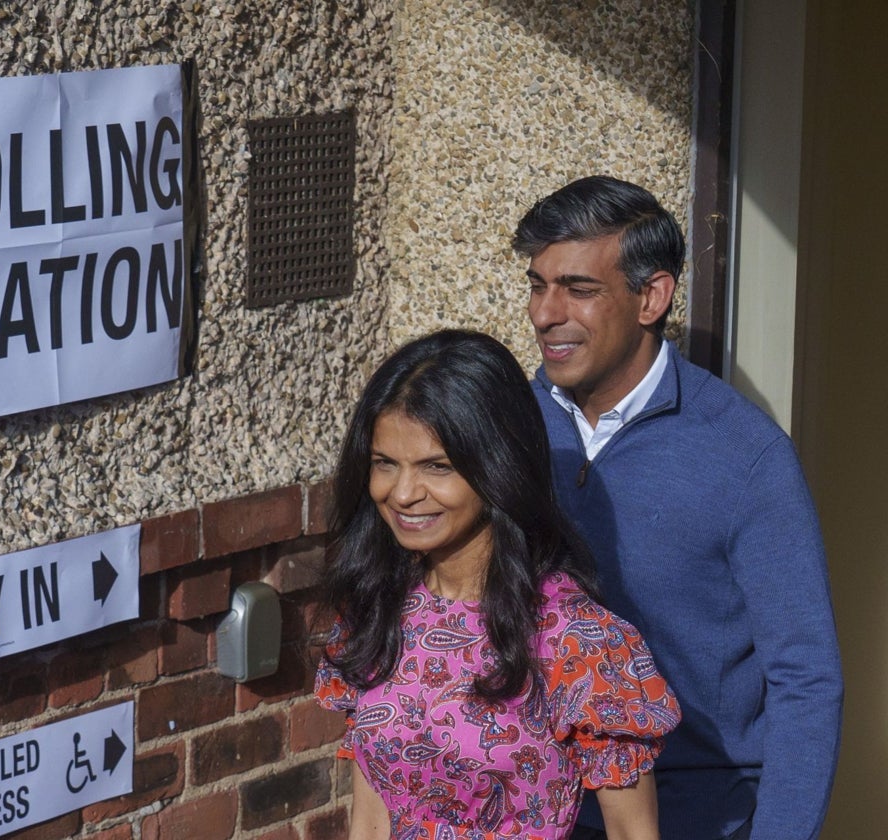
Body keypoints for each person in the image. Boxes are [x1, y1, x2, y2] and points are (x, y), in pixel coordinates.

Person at [513, 175, 843, 840]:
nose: (546, 313)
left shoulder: (747, 457)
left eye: (577, 289)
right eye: (537, 284)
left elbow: (805, 679)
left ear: (652, 297)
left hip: (694, 813)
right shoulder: (508, 425)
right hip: (534, 810)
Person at [313, 329, 681, 840]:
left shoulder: (579, 642)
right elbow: (370, 823)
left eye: (435, 467)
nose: (401, 493)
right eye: (384, 464)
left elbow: (632, 834)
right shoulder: (375, 610)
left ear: (498, 466)